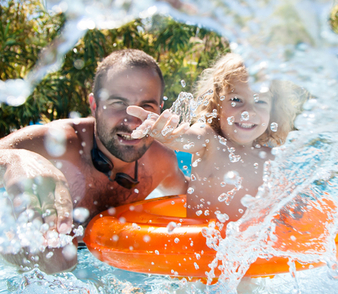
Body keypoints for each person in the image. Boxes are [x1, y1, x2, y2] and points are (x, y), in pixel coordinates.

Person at [0, 49, 188, 273]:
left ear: (159, 110)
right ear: (94, 105)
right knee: (57, 257)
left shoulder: (161, 161)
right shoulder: (59, 144)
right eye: (118, 103)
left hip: (111, 275)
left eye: (146, 107)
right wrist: (16, 159)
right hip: (21, 275)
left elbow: (199, 201)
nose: (133, 122)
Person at [128, 53, 302, 221]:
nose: (248, 111)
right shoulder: (209, 140)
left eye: (260, 101)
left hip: (242, 247)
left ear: (273, 110)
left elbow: (285, 209)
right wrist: (168, 135)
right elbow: (187, 138)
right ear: (218, 104)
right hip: (200, 245)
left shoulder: (271, 159)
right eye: (236, 100)